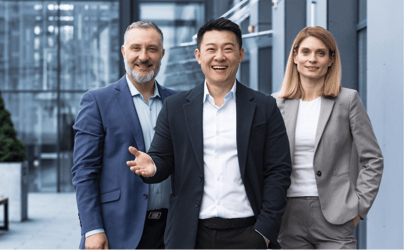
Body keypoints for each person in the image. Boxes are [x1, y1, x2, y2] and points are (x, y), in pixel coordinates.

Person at [126, 18, 292, 250]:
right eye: (211, 49)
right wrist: (153, 167)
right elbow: (162, 159)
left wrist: (264, 232)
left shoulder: (264, 107)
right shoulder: (175, 107)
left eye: (228, 49)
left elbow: (279, 171)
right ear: (198, 55)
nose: (219, 57)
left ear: (241, 54)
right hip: (190, 235)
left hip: (248, 233)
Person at [273, 26, 384, 249]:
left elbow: (372, 159)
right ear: (295, 57)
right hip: (287, 216)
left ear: (331, 60)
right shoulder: (275, 104)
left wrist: (359, 208)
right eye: (305, 52)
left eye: (321, 53)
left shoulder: (348, 100)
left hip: (336, 215)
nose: (312, 59)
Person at [72, 21, 176, 250]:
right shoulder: (97, 101)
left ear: (162, 54)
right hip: (116, 231)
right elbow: (84, 171)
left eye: (152, 49)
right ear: (123, 51)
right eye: (136, 48)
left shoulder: (177, 103)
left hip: (171, 232)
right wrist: (92, 229)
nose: (143, 56)